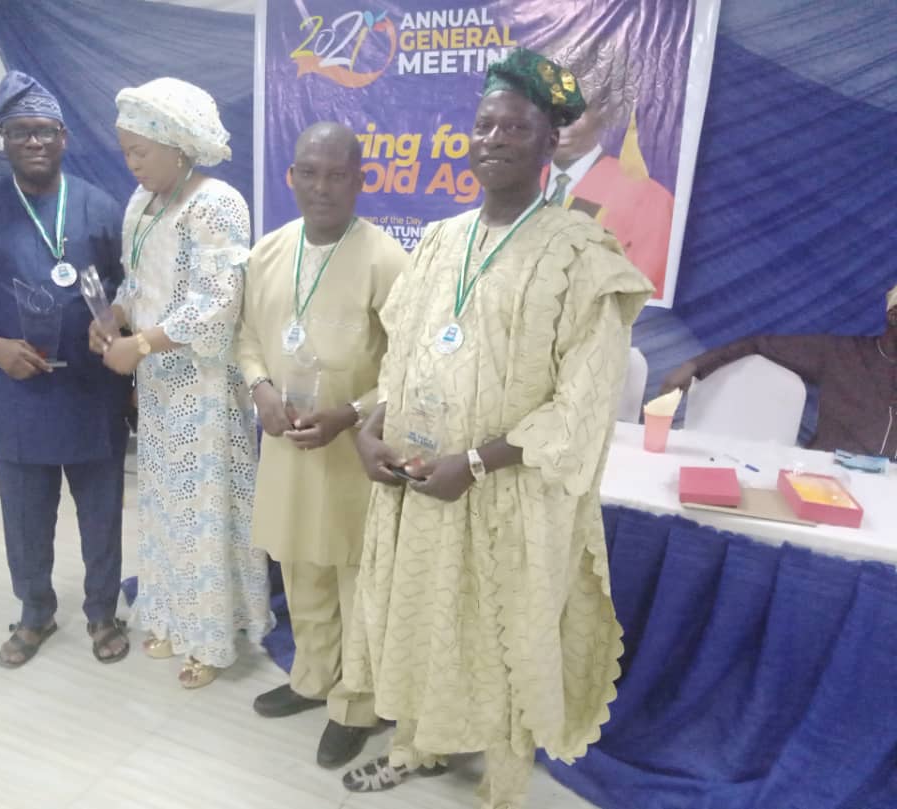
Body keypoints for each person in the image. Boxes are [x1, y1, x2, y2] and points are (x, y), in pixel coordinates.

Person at [339, 49, 653, 807]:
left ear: (551, 142)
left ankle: (503, 788)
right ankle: (416, 745)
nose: (494, 139)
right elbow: (403, 355)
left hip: (509, 498)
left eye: (515, 127)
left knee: (505, 637)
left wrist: (477, 463)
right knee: (422, 621)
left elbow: (580, 407)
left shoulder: (583, 255)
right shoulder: (440, 240)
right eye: (484, 125)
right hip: (421, 484)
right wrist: (370, 429)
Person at [0, 71, 131, 668]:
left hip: (92, 389)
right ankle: (35, 612)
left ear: (64, 137)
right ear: (4, 139)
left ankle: (103, 612)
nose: (35, 141)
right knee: (25, 514)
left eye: (45, 130)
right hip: (18, 392)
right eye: (21, 132)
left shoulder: (100, 207)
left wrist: (115, 321)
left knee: (101, 511)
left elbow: (129, 285)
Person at [89, 78, 273, 689]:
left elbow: (217, 302)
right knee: (166, 505)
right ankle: (173, 613)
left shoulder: (216, 204)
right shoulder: (142, 205)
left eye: (140, 151)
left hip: (204, 385)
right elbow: (137, 282)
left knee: (205, 509)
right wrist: (114, 316)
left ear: (176, 145)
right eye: (126, 152)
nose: (132, 164)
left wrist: (140, 343)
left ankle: (212, 636)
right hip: (158, 385)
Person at [236, 123, 408, 766]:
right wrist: (260, 389)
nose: (322, 187)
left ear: (361, 181)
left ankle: (357, 703)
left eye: (338, 175)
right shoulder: (268, 252)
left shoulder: (387, 261)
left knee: (355, 578)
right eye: (309, 172)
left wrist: (350, 413)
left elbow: (410, 366)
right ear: (291, 177)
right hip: (287, 443)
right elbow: (248, 338)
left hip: (354, 452)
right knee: (299, 564)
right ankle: (312, 677)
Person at [661, 282, 897, 456]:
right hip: (828, 476)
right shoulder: (841, 354)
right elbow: (758, 344)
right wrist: (694, 365)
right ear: (893, 316)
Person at [541, 38, 674, 297]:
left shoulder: (648, 200)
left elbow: (641, 297)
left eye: (576, 111)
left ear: (607, 111)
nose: (560, 124)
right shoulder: (521, 187)